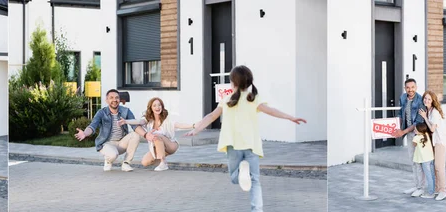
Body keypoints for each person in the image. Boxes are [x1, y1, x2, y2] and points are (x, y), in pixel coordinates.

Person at [184, 65, 306, 212]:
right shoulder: (253, 98)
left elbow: (211, 116)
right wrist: (290, 117)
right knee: (255, 181)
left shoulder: (227, 100)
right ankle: (257, 209)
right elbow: (271, 111)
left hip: (233, 145)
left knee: (235, 178)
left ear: (233, 82)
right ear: (249, 82)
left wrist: (196, 129)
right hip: (251, 145)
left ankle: (242, 171)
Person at [74, 89, 151, 172]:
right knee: (113, 155)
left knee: (135, 135)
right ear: (107, 100)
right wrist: (85, 133)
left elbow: (135, 126)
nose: (114, 100)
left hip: (121, 143)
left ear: (119, 100)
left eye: (117, 98)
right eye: (111, 97)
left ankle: (126, 163)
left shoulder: (126, 111)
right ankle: (108, 160)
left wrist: (146, 135)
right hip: (106, 144)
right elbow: (92, 126)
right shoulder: (101, 113)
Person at [118, 97, 195, 171]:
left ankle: (163, 163)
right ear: (151, 108)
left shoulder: (166, 119)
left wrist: (193, 126)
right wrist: (126, 121)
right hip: (159, 146)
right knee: (145, 162)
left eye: (159, 105)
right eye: (154, 105)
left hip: (171, 145)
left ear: (162, 106)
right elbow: (139, 121)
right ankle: (162, 160)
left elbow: (179, 125)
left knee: (156, 135)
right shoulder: (149, 120)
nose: (157, 107)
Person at [392, 78, 427, 197]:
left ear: (416, 87)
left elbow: (418, 122)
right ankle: (416, 185)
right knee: (412, 160)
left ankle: (421, 187)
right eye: (408, 87)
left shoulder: (420, 100)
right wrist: (397, 128)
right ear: (405, 88)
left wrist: (403, 132)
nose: (410, 90)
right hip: (408, 133)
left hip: (417, 133)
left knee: (418, 161)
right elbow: (400, 114)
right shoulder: (403, 97)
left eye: (412, 87)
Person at [419, 90, 446, 200]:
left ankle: (443, 190)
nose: (426, 100)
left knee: (439, 167)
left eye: (429, 99)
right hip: (434, 142)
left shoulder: (434, 112)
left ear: (433, 101)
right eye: (425, 98)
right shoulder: (428, 110)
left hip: (440, 141)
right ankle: (437, 189)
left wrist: (425, 117)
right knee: (435, 166)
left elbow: (432, 128)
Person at [412, 123, 436, 199]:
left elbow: (414, 145)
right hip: (431, 158)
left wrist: (415, 136)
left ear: (419, 131)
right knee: (431, 175)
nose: (414, 130)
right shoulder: (426, 134)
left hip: (425, 160)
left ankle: (430, 193)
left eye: (415, 129)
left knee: (428, 176)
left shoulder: (416, 138)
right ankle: (433, 190)